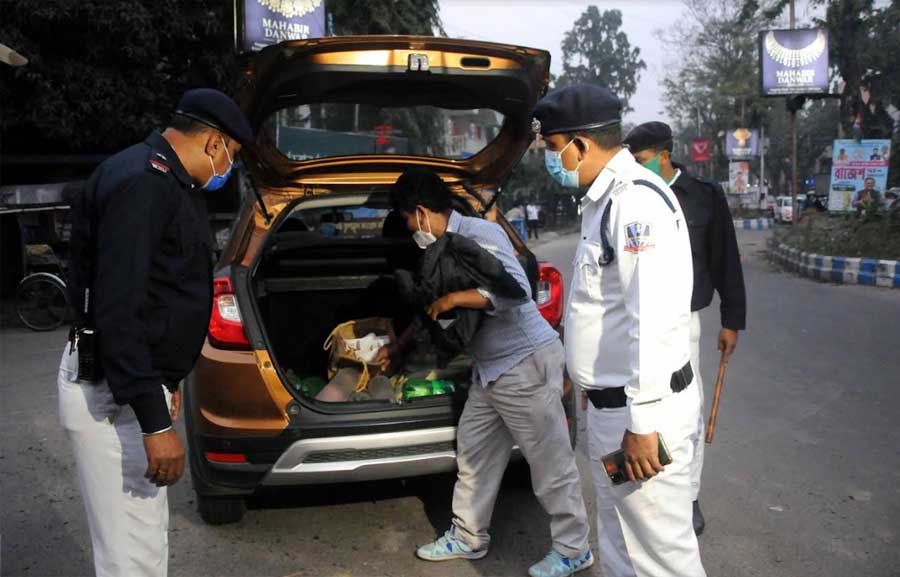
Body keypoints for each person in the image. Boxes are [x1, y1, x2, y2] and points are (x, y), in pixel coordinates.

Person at [61, 88, 252, 577]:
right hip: (114, 391)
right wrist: (155, 423)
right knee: (131, 552)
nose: (229, 166)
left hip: (135, 383)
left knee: (142, 540)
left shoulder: (164, 180)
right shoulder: (144, 183)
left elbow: (161, 294)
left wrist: (168, 380)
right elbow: (118, 310)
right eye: (233, 154)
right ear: (214, 143)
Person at [385, 167, 593, 577]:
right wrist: (404, 340)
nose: (410, 228)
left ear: (423, 212)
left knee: (550, 466)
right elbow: (430, 304)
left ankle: (574, 549)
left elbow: (516, 288)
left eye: (408, 219)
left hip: (524, 364)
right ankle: (468, 536)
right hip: (491, 370)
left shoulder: (478, 234)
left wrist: (454, 299)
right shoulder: (441, 247)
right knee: (475, 453)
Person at [533, 84, 706, 577]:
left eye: (552, 148)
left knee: (662, 559)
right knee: (620, 544)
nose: (552, 160)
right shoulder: (601, 201)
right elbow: (603, 311)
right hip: (614, 409)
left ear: (580, 146)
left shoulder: (634, 204)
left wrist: (643, 424)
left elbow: (651, 320)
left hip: (640, 415)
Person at [624, 121, 747, 536]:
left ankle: (689, 495)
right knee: (640, 409)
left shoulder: (704, 197)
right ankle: (648, 490)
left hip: (683, 323)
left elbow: (726, 259)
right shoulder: (631, 196)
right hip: (636, 322)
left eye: (640, 160)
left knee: (687, 413)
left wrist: (732, 320)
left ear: (663, 155)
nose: (635, 168)